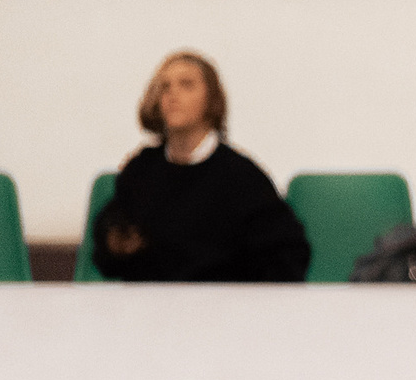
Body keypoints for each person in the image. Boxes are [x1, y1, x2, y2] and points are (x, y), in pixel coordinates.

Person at [91, 52, 309, 282]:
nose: (173, 94)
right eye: (164, 87)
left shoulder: (241, 177)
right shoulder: (141, 170)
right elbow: (111, 247)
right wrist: (116, 245)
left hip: (223, 309)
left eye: (186, 84)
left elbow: (286, 256)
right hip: (148, 307)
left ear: (212, 99)